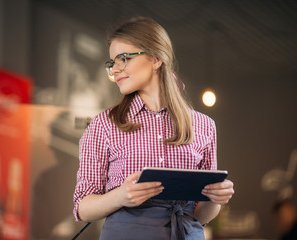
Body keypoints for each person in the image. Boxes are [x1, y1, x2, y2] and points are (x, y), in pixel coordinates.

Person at [73, 16, 234, 240]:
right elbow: (82, 206)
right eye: (112, 63)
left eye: (123, 59)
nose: (115, 70)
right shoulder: (103, 124)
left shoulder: (204, 125)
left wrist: (215, 199)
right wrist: (120, 196)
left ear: (156, 58)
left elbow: (201, 214)